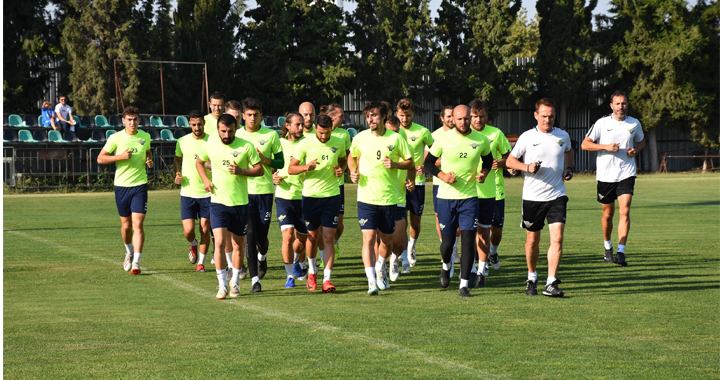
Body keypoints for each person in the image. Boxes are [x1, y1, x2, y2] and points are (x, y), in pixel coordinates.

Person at [505, 98, 574, 298]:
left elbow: (569, 151)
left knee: (558, 237)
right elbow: (510, 160)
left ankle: (551, 282)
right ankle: (531, 276)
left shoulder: (563, 135)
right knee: (532, 239)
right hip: (533, 197)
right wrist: (526, 167)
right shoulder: (527, 137)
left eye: (551, 116)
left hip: (557, 195)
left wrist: (569, 168)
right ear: (536, 115)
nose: (547, 119)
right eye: (543, 116)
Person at [424, 105, 493, 297]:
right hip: (446, 198)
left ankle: (463, 285)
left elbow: (488, 159)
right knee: (447, 244)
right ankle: (446, 266)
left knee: (468, 239)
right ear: (452, 119)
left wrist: (484, 173)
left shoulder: (481, 140)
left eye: (466, 118)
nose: (464, 122)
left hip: (469, 198)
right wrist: (443, 176)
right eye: (460, 119)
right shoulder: (443, 139)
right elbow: (427, 163)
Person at [349, 101, 414, 295]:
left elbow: (410, 162)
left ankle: (380, 267)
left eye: (375, 115)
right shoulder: (360, 138)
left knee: (387, 242)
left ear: (384, 117)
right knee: (368, 238)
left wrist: (395, 165)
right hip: (366, 198)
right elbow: (352, 157)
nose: (371, 119)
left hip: (388, 198)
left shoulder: (396, 138)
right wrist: (353, 171)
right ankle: (371, 281)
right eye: (368, 115)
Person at [196, 114, 263, 299]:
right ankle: (222, 285)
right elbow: (199, 162)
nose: (226, 134)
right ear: (218, 129)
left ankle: (235, 282)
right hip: (218, 203)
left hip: (240, 203)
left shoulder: (245, 146)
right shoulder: (210, 144)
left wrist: (242, 171)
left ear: (236, 128)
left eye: (230, 131)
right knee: (218, 242)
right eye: (223, 131)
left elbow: (260, 169)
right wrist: (205, 181)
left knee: (238, 245)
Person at [581, 90, 645, 266]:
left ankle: (621, 252)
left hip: (626, 173)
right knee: (608, 214)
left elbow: (641, 141)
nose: (620, 107)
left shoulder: (634, 123)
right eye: (617, 104)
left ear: (627, 105)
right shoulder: (602, 123)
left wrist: (635, 150)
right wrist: (606, 147)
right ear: (611, 106)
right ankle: (607, 247)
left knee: (625, 211)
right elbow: (585, 144)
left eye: (623, 103)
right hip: (606, 175)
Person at [288, 115, 347, 293]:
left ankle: (327, 279)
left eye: (327, 133)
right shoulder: (305, 144)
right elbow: (291, 168)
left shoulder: (339, 141)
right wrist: (306, 167)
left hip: (332, 196)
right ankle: (312, 273)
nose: (323, 136)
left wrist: (340, 169)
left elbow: (343, 159)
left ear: (331, 130)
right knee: (312, 237)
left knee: (328, 238)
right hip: (311, 196)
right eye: (321, 133)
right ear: (315, 129)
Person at [97, 106, 153, 275]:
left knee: (138, 225)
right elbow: (100, 158)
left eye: (135, 119)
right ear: (123, 121)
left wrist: (149, 160)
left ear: (139, 120)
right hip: (121, 186)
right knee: (126, 226)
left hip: (140, 185)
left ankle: (136, 262)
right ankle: (129, 251)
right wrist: (119, 157)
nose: (132, 122)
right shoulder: (116, 138)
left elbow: (148, 151)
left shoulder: (145, 136)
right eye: (129, 120)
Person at [236, 98, 283, 281]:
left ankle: (262, 255)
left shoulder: (271, 135)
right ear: (243, 116)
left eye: (256, 115)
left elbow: (281, 162)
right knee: (250, 233)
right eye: (249, 115)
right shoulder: (237, 135)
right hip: (243, 192)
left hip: (264, 191)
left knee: (262, 236)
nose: (252, 118)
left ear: (261, 116)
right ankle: (254, 275)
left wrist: (265, 160)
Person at [468, 99, 511, 287]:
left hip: (495, 190)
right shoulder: (462, 135)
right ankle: (479, 266)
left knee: (496, 231)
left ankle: (492, 251)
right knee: (477, 230)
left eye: (482, 116)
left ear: (487, 115)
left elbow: (509, 157)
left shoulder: (496, 134)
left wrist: (499, 163)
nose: (478, 119)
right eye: (475, 116)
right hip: (469, 192)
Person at [396, 99, 434, 267]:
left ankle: (411, 246)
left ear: (413, 114)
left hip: (417, 183)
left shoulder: (423, 131)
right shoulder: (392, 132)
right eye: (401, 116)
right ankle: (402, 253)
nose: (404, 119)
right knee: (400, 222)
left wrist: (425, 167)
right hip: (397, 183)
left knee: (415, 223)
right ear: (397, 114)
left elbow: (436, 153)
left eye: (408, 115)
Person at [273, 112, 309, 288]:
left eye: (302, 124)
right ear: (287, 125)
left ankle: (296, 260)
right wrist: (273, 176)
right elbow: (270, 167)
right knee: (287, 236)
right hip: (283, 197)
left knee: (301, 241)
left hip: (304, 197)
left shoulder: (308, 144)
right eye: (297, 124)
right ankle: (289, 276)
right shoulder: (278, 144)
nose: (301, 128)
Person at [174, 110, 211, 273]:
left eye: (199, 124)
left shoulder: (212, 140)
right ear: (190, 124)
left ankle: (201, 263)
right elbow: (177, 158)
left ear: (204, 123)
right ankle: (193, 244)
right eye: (194, 125)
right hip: (187, 193)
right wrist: (177, 174)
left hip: (208, 193)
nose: (197, 127)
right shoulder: (182, 141)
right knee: (188, 231)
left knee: (204, 228)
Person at [383, 116, 415, 282]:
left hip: (399, 197)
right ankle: (380, 269)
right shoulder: (379, 145)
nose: (394, 134)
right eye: (391, 131)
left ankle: (394, 260)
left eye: (397, 131)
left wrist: (412, 181)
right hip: (378, 198)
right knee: (377, 238)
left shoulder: (403, 146)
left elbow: (412, 166)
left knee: (399, 240)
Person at [429, 105, 461, 270]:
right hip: (439, 183)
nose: (450, 119)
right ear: (442, 118)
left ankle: (453, 246)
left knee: (459, 221)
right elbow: (430, 161)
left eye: (452, 116)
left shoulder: (461, 135)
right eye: (447, 116)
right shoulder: (434, 136)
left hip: (460, 184)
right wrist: (448, 160)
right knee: (439, 217)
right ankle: (448, 248)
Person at [319, 104, 352, 257]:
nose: (344, 118)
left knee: (338, 226)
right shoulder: (316, 133)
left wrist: (343, 168)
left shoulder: (344, 134)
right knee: (319, 226)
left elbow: (346, 157)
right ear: (332, 117)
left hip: (337, 186)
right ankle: (321, 255)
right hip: (318, 187)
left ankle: (335, 243)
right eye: (341, 116)